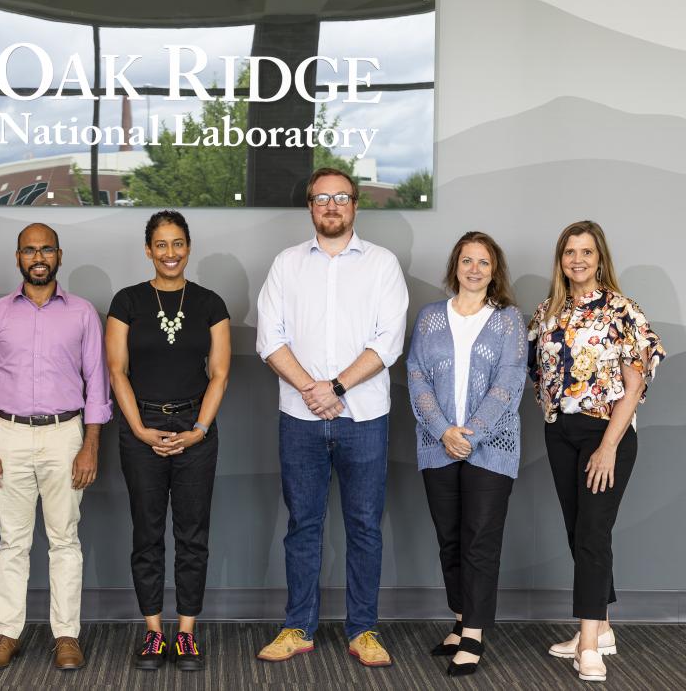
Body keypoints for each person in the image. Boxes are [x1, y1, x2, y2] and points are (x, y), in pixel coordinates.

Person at [255, 167, 408, 667]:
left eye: (340, 197)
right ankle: (298, 626)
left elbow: (387, 341)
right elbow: (268, 339)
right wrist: (311, 390)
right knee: (303, 525)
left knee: (364, 526)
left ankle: (363, 630)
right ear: (311, 208)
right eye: (322, 198)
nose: (331, 205)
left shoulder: (382, 265)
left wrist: (336, 387)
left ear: (355, 205)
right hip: (299, 418)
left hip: (364, 417)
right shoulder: (287, 264)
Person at [0, 223, 111, 672]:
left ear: (59, 255)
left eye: (46, 248)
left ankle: (66, 635)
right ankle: (7, 633)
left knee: (65, 540)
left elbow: (96, 385)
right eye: (29, 250)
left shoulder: (83, 313)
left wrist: (90, 446)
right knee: (12, 543)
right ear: (18, 259)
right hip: (6, 436)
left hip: (65, 436)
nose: (38, 256)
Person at [528, 220, 664, 683]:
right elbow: (537, 374)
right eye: (570, 252)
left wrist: (607, 447)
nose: (578, 260)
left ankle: (588, 645)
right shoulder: (547, 311)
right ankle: (600, 625)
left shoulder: (622, 310)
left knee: (591, 534)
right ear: (561, 259)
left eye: (586, 252)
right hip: (559, 432)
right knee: (577, 530)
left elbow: (634, 384)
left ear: (600, 258)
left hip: (605, 434)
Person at [106, 210, 231, 671]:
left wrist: (197, 430)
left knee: (193, 536)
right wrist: (140, 429)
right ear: (148, 250)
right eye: (161, 244)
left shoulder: (210, 303)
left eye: (178, 243)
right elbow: (117, 371)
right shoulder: (128, 302)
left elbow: (219, 374)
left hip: (197, 432)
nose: (170, 253)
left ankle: (187, 635)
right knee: (147, 534)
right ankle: (154, 634)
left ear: (188, 247)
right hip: (141, 431)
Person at [406, 231, 525, 676]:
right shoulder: (431, 317)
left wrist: (470, 434)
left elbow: (509, 383)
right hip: (437, 447)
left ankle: (474, 633)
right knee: (450, 538)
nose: (474, 269)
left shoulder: (509, 319)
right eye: (467, 261)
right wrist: (442, 431)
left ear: (494, 272)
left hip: (490, 448)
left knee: (480, 540)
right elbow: (415, 374)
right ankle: (459, 619)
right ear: (455, 266)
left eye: (484, 263)